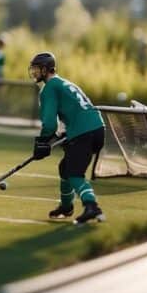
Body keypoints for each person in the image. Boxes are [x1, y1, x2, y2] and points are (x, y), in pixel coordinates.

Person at [29, 52, 106, 224]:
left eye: (36, 69)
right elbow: (73, 113)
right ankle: (66, 206)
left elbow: (49, 123)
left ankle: (92, 207)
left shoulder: (48, 88)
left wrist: (43, 141)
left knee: (74, 173)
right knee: (65, 168)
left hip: (84, 131)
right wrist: (59, 136)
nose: (34, 73)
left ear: (45, 69)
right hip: (97, 128)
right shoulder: (64, 83)